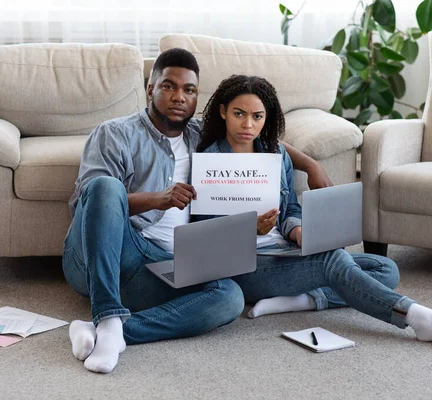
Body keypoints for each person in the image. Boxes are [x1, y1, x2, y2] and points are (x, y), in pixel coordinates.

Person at [62, 48, 338, 374]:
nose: (179, 96)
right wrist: (156, 199)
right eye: (169, 86)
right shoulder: (114, 133)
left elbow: (258, 135)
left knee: (229, 297)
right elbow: (91, 204)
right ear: (150, 89)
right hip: (112, 254)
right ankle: (107, 316)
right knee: (107, 187)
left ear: (197, 97)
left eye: (189, 90)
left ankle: (114, 332)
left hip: (163, 265)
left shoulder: (200, 136)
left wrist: (309, 164)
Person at [197, 74, 432, 341]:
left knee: (385, 269)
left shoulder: (276, 153)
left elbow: (289, 209)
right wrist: (250, 229)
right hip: (247, 265)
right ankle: (413, 316)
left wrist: (298, 230)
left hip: (284, 251)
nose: (248, 125)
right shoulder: (208, 160)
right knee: (332, 262)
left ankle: (304, 300)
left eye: (257, 116)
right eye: (239, 114)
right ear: (223, 112)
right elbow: (204, 234)